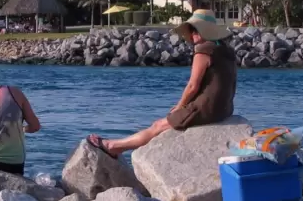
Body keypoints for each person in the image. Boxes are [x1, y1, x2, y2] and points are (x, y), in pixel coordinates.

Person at [88, 9, 238, 157]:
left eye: (194, 29)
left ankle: (113, 146)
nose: (192, 34)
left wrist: (180, 107)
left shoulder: (204, 50)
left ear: (203, 31)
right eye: (191, 30)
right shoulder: (225, 51)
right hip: (224, 108)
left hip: (207, 109)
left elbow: (193, 86)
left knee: (158, 125)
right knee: (166, 121)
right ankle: (117, 146)